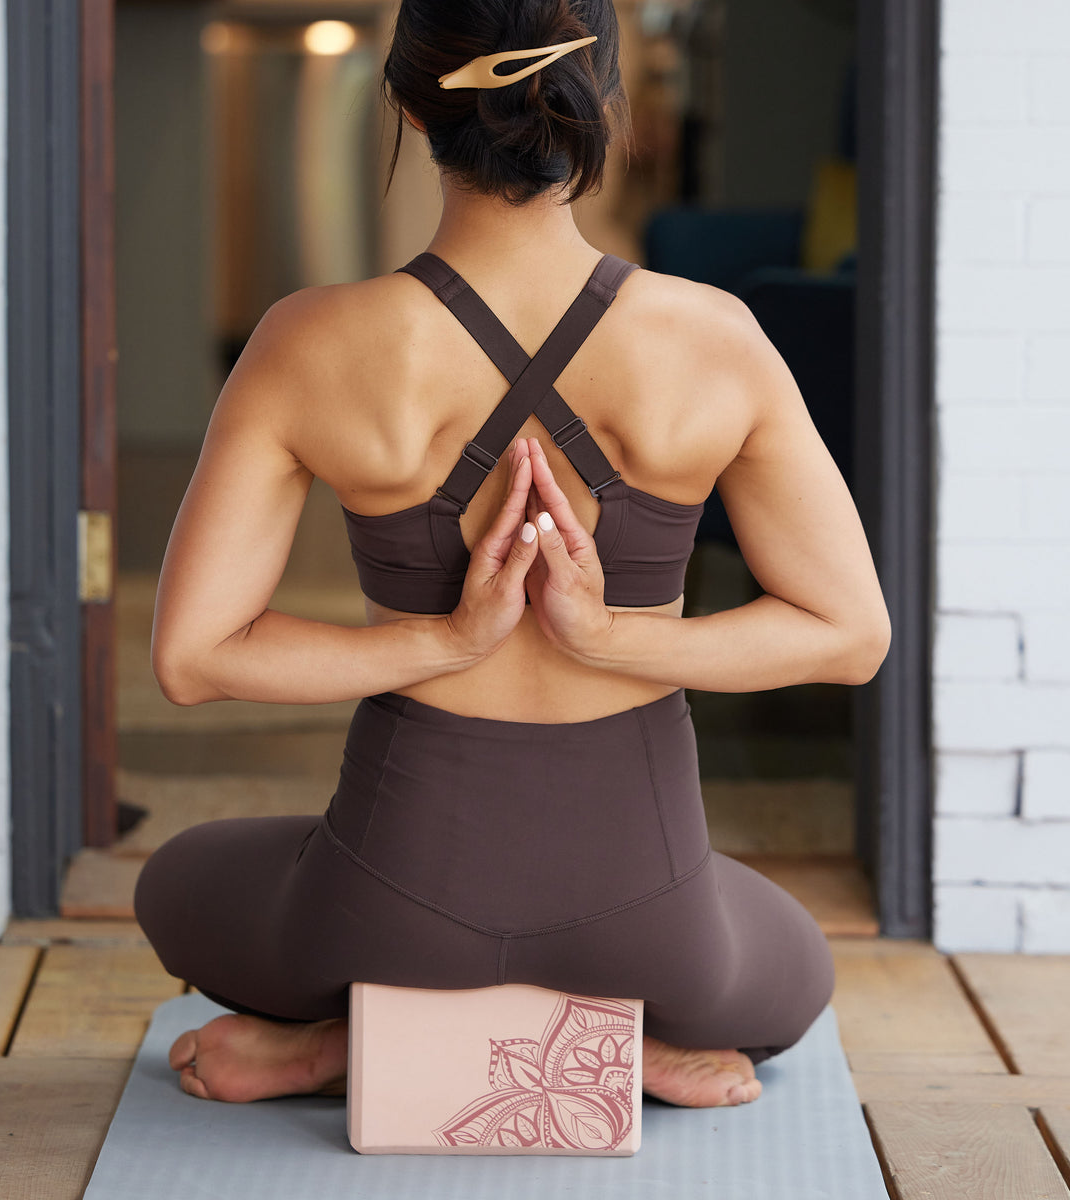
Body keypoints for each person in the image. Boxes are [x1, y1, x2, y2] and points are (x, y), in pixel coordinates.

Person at [133, 0, 891, 1111]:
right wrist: (614, 636)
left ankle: (355, 1038)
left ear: (407, 105)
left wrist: (440, 641)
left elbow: (194, 660)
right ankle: (608, 1040)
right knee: (792, 970)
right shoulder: (715, 337)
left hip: (385, 907)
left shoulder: (309, 340)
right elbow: (852, 635)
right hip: (651, 921)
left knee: (176, 884)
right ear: (607, 104)